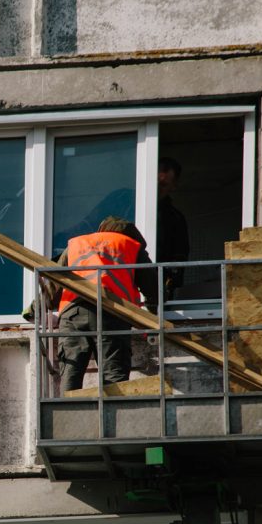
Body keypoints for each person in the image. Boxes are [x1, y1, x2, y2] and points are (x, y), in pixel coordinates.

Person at [32, 216, 158, 392]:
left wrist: (33, 310)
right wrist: (153, 319)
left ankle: (68, 417)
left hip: (73, 314)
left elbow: (54, 283)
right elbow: (154, 288)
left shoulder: (77, 244)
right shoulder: (130, 245)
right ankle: (113, 417)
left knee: (71, 374)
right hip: (112, 314)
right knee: (114, 378)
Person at [157, 157, 189, 298]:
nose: (156, 189)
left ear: (173, 186)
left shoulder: (175, 219)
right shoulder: (122, 200)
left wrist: (167, 291)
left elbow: (179, 258)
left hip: (155, 290)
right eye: (154, 183)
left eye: (162, 185)